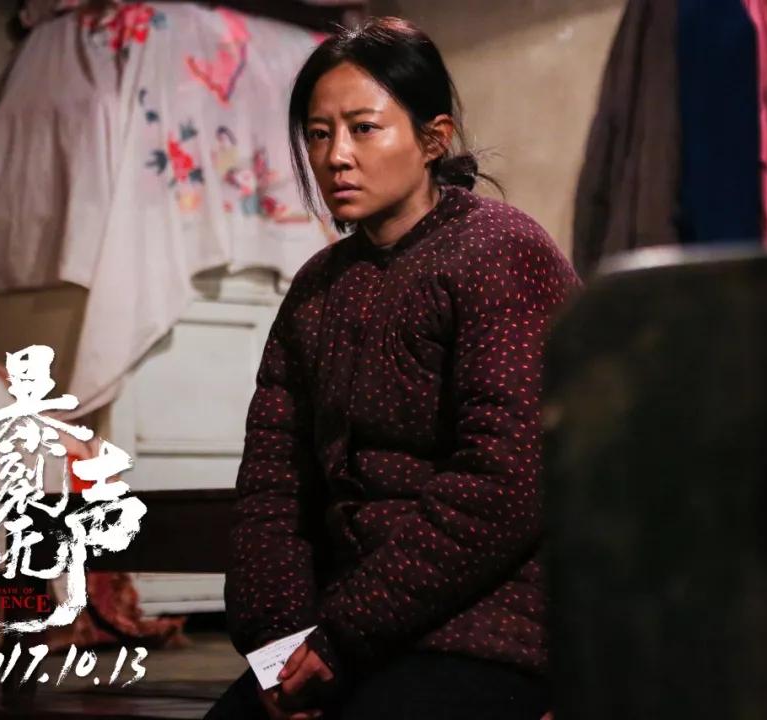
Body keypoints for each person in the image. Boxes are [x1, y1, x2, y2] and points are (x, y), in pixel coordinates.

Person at [206, 15, 579, 720]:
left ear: (433, 139)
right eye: (319, 134)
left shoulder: (498, 251)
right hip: (342, 635)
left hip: (487, 629)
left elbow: (506, 482)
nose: (336, 156)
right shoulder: (316, 287)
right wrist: (279, 649)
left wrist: (343, 633)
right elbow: (273, 485)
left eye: (364, 129)